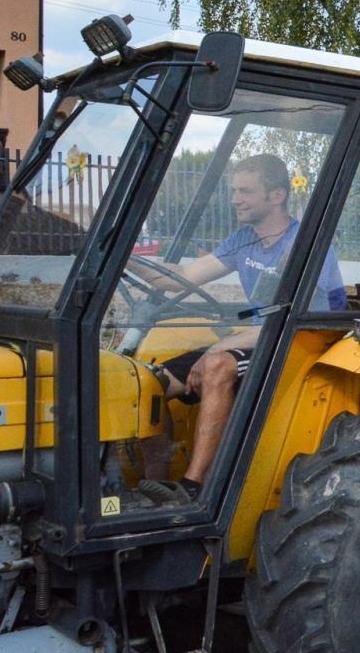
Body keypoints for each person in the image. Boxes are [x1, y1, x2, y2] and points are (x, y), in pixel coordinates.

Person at [142, 154, 345, 500]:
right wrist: (125, 265)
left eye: (246, 191)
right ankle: (154, 487)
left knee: (219, 364)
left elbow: (296, 321)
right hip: (256, 339)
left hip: (297, 343)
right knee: (146, 383)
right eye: (234, 190)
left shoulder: (303, 245)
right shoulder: (243, 240)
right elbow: (186, 277)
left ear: (277, 195)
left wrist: (216, 349)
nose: (235, 199)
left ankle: (193, 488)